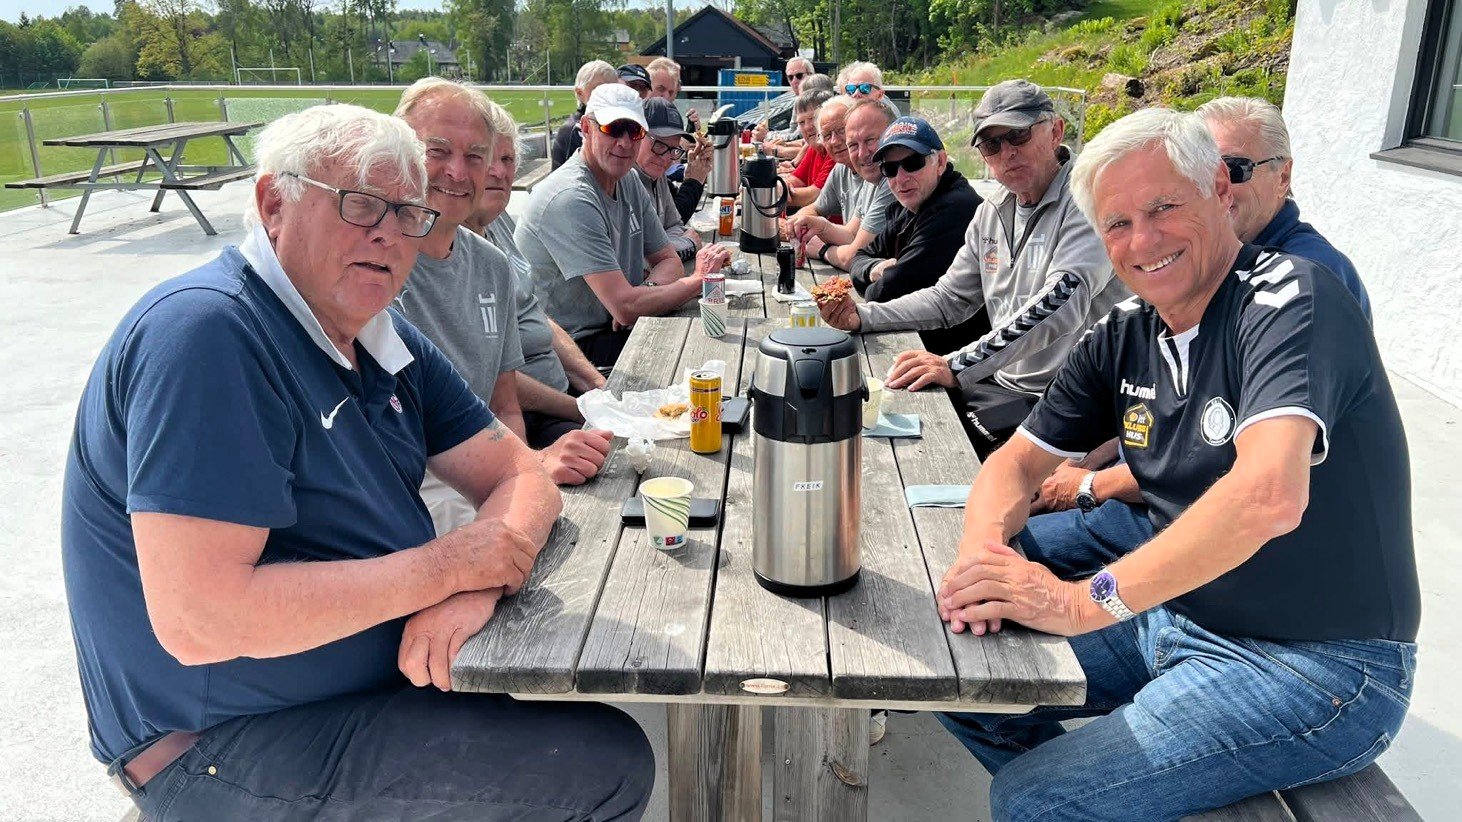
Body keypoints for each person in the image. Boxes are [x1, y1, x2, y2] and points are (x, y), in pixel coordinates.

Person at [61, 103, 654, 821]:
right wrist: (450, 567)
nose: (387, 234)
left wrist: (481, 581)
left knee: (600, 698)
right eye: (360, 205)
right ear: (273, 201)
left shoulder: (377, 333)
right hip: (217, 748)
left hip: (361, 696)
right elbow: (201, 620)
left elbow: (520, 475)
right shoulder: (208, 334)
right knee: (604, 764)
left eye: (408, 214)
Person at [933, 106, 1419, 821]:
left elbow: (1267, 497)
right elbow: (1014, 466)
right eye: (1118, 224)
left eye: (1164, 207)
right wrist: (983, 557)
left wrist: (1073, 602)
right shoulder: (1127, 331)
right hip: (1175, 618)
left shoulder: (1293, 297)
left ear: (1220, 190)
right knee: (956, 684)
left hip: (1319, 666)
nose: (1143, 240)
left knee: (1035, 800)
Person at [1021, 95, 1380, 563]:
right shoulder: (1191, 276)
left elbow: (1222, 459)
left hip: (1222, 540)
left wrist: (1091, 484)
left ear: (1283, 176)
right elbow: (1165, 402)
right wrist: (1089, 456)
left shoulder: (1305, 282)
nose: (1213, 182)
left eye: (1233, 167)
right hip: (1150, 503)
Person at [818, 80, 1126, 457]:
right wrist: (862, 318)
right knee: (877, 426)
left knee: (933, 456)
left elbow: (1062, 303)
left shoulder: (1088, 200)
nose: (1007, 153)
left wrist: (956, 364)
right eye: (992, 144)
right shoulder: (993, 209)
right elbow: (949, 299)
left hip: (1071, 400)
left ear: (1055, 131)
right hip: (1005, 387)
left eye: (1018, 135)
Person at [391, 79, 614, 533]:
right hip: (412, 499)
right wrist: (528, 470)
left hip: (488, 484)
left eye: (476, 155)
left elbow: (504, 405)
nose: (458, 171)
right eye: (437, 150)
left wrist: (522, 470)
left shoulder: (491, 264)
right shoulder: (375, 262)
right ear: (399, 152)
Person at [516, 83, 729, 367]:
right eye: (613, 129)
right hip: (568, 352)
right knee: (698, 354)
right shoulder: (570, 197)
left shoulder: (626, 178)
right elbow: (626, 307)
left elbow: (668, 260)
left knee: (709, 345)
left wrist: (645, 293)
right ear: (587, 128)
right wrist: (698, 282)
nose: (625, 142)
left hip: (611, 330)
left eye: (634, 131)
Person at [467, 101, 612, 453]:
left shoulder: (498, 221)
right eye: (486, 159)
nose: (498, 172)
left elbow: (534, 313)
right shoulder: (447, 254)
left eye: (507, 160)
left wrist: (596, 387)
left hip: (558, 395)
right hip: (519, 420)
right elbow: (493, 383)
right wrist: (582, 409)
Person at [1197, 96, 1371, 318]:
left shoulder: (1306, 276)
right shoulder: (1217, 255)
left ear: (1282, 177)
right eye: (1200, 171)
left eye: (1233, 169)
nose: (1213, 187)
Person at [849, 116, 982, 303]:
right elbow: (859, 257)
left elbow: (886, 293)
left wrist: (872, 281)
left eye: (913, 164)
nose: (901, 178)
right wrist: (873, 269)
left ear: (941, 162)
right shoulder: (911, 206)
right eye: (890, 169)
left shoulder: (954, 210)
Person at [789, 96, 898, 271]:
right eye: (854, 144)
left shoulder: (890, 176)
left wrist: (822, 250)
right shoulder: (869, 173)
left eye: (870, 140)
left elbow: (855, 255)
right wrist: (818, 226)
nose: (834, 141)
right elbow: (851, 233)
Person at [636, 97, 701, 262]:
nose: (666, 158)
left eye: (673, 149)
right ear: (636, 135)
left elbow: (674, 225)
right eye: (659, 144)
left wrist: (666, 248)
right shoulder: (625, 181)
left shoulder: (657, 175)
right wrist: (690, 243)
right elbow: (641, 258)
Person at [552, 59, 617, 169]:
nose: (607, 95)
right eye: (599, 89)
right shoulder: (572, 131)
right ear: (580, 93)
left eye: (613, 90)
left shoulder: (616, 124)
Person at [781, 87, 838, 209]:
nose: (807, 127)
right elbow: (796, 180)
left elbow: (815, 195)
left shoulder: (836, 151)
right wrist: (781, 186)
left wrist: (764, 196)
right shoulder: (814, 148)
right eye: (801, 122)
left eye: (812, 119)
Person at [647, 56, 701, 133]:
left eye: (671, 92)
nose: (666, 96)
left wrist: (692, 132)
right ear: (646, 86)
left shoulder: (672, 117)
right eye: (661, 89)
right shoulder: (632, 117)